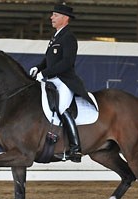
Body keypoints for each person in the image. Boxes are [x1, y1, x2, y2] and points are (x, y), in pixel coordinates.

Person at [29, 3, 95, 163]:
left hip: (64, 81)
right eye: (52, 14)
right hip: (51, 80)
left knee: (62, 108)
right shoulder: (56, 37)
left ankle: (75, 148)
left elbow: (66, 63)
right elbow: (48, 60)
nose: (51, 17)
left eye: (55, 15)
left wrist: (45, 73)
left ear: (65, 18)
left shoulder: (69, 38)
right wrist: (38, 68)